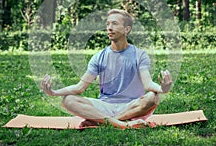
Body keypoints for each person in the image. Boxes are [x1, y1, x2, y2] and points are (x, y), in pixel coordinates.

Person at [41, 9, 173, 129]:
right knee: (68, 100)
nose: (109, 28)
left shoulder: (140, 55)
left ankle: (103, 122)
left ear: (127, 29)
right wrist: (54, 92)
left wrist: (162, 89)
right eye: (108, 24)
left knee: (153, 98)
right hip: (104, 106)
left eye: (114, 24)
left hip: (132, 106)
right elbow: (80, 88)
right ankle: (123, 124)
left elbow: (148, 84)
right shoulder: (98, 57)